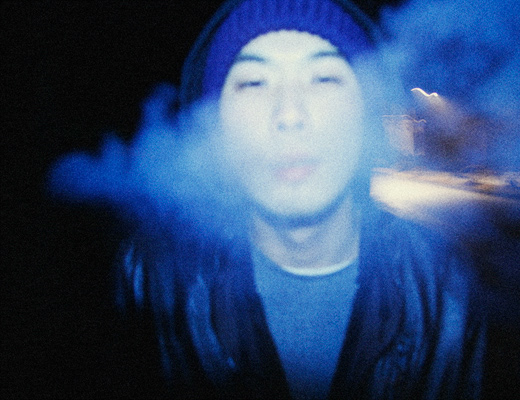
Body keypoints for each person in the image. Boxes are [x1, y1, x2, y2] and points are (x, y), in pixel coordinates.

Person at [115, 0, 485, 399]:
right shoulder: (152, 278)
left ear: (368, 111)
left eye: (323, 78)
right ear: (214, 124)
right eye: (254, 83)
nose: (290, 114)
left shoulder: (444, 284)